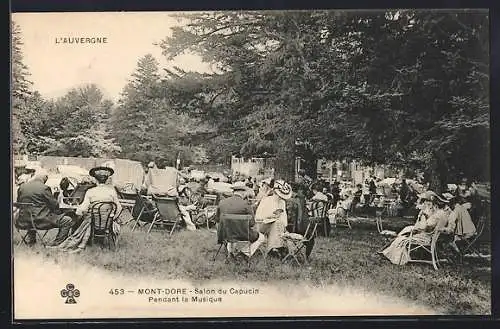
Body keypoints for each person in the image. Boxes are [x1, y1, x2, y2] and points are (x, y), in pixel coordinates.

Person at [54, 167, 122, 252]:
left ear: (95, 179)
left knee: (84, 218)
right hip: (108, 222)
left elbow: (82, 209)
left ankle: (79, 243)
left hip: (94, 222)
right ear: (107, 179)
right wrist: (112, 218)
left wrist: (78, 211)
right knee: (90, 217)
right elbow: (119, 208)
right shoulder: (112, 191)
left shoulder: (91, 191)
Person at [381, 194, 450, 265]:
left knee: (402, 238)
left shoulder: (437, 215)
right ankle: (387, 250)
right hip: (431, 236)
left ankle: (394, 256)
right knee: (405, 233)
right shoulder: (444, 214)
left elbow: (425, 227)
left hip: (426, 237)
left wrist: (423, 217)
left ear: (437, 204)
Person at [15, 170, 75, 246]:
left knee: (31, 212)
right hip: (40, 221)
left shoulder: (22, 187)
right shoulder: (44, 188)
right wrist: (58, 212)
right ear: (45, 178)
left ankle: (32, 241)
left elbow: (19, 203)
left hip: (23, 221)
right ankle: (57, 244)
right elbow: (54, 204)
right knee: (67, 220)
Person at [215, 184, 265, 258]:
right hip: (242, 235)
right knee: (261, 237)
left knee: (231, 234)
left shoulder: (222, 202)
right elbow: (252, 224)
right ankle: (244, 253)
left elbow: (217, 220)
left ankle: (231, 252)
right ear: (243, 193)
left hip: (224, 234)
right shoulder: (246, 204)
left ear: (233, 192)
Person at [255, 180, 292, 258]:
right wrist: (269, 216)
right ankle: (277, 248)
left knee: (277, 224)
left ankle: (274, 249)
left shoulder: (282, 202)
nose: (280, 198)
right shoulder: (266, 200)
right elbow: (257, 217)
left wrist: (281, 222)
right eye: (279, 195)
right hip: (263, 226)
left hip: (277, 227)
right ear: (274, 192)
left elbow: (284, 220)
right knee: (276, 224)